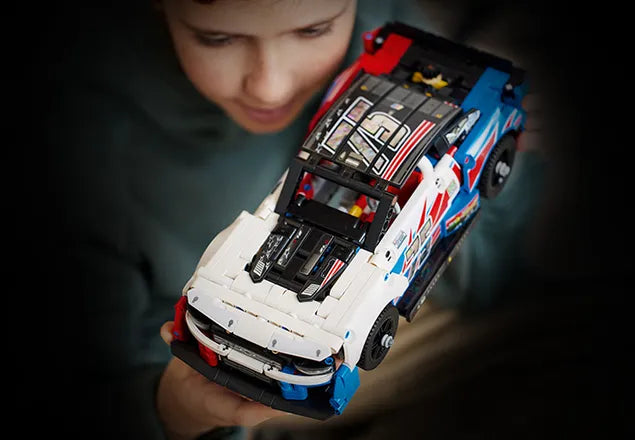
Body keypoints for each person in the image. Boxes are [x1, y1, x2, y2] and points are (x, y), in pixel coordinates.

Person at [42, 1, 548, 439]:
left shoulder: (388, 37)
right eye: (218, 38)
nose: (270, 86)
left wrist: (499, 165)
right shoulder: (85, 155)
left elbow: (484, 274)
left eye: (313, 29)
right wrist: (175, 410)